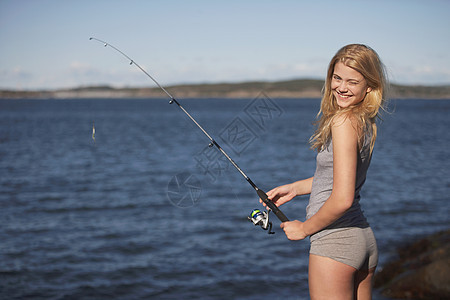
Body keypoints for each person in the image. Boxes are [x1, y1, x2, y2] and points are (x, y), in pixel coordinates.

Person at [263, 44, 387, 299]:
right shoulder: (363, 121)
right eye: (337, 77)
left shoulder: (343, 121)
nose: (341, 87)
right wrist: (296, 188)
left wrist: (304, 228)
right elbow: (340, 179)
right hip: (364, 241)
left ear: (370, 88)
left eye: (352, 82)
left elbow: (342, 199)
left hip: (336, 245)